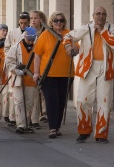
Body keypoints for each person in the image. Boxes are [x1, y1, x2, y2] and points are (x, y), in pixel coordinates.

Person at [63, 6, 114, 144]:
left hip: (105, 68)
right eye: (98, 14)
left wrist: (102, 32)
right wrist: (68, 47)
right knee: (83, 101)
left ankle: (101, 134)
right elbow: (68, 36)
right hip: (87, 68)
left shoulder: (112, 29)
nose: (100, 16)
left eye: (103, 14)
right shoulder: (85, 28)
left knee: (104, 102)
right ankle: (84, 131)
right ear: (93, 15)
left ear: (106, 16)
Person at [33, 11, 73, 139]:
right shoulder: (45, 35)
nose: (58, 23)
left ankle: (57, 126)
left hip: (66, 74)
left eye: (61, 20)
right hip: (48, 74)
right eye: (56, 20)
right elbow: (37, 55)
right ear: (51, 22)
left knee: (61, 101)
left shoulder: (69, 34)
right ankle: (52, 128)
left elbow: (76, 48)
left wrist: (74, 50)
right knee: (52, 100)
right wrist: (36, 73)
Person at [6, 27, 37, 134]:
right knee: (18, 101)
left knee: (29, 103)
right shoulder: (15, 48)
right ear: (25, 37)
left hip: (32, 80)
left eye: (33, 40)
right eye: (29, 40)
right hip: (19, 79)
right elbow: (9, 62)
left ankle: (27, 123)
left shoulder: (37, 48)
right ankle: (21, 125)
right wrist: (16, 70)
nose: (31, 42)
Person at [3, 12, 30, 126]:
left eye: (25, 23)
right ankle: (12, 117)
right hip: (14, 67)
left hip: (28, 68)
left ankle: (29, 121)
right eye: (21, 23)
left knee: (29, 97)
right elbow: (6, 48)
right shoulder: (12, 33)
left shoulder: (32, 33)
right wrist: (13, 60)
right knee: (13, 93)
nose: (23, 25)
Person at [30, 10, 48, 124]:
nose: (33, 20)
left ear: (40, 20)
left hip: (43, 62)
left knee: (43, 89)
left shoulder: (46, 32)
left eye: (35, 18)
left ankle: (45, 112)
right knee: (34, 91)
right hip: (32, 62)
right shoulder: (28, 31)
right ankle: (34, 115)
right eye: (31, 18)